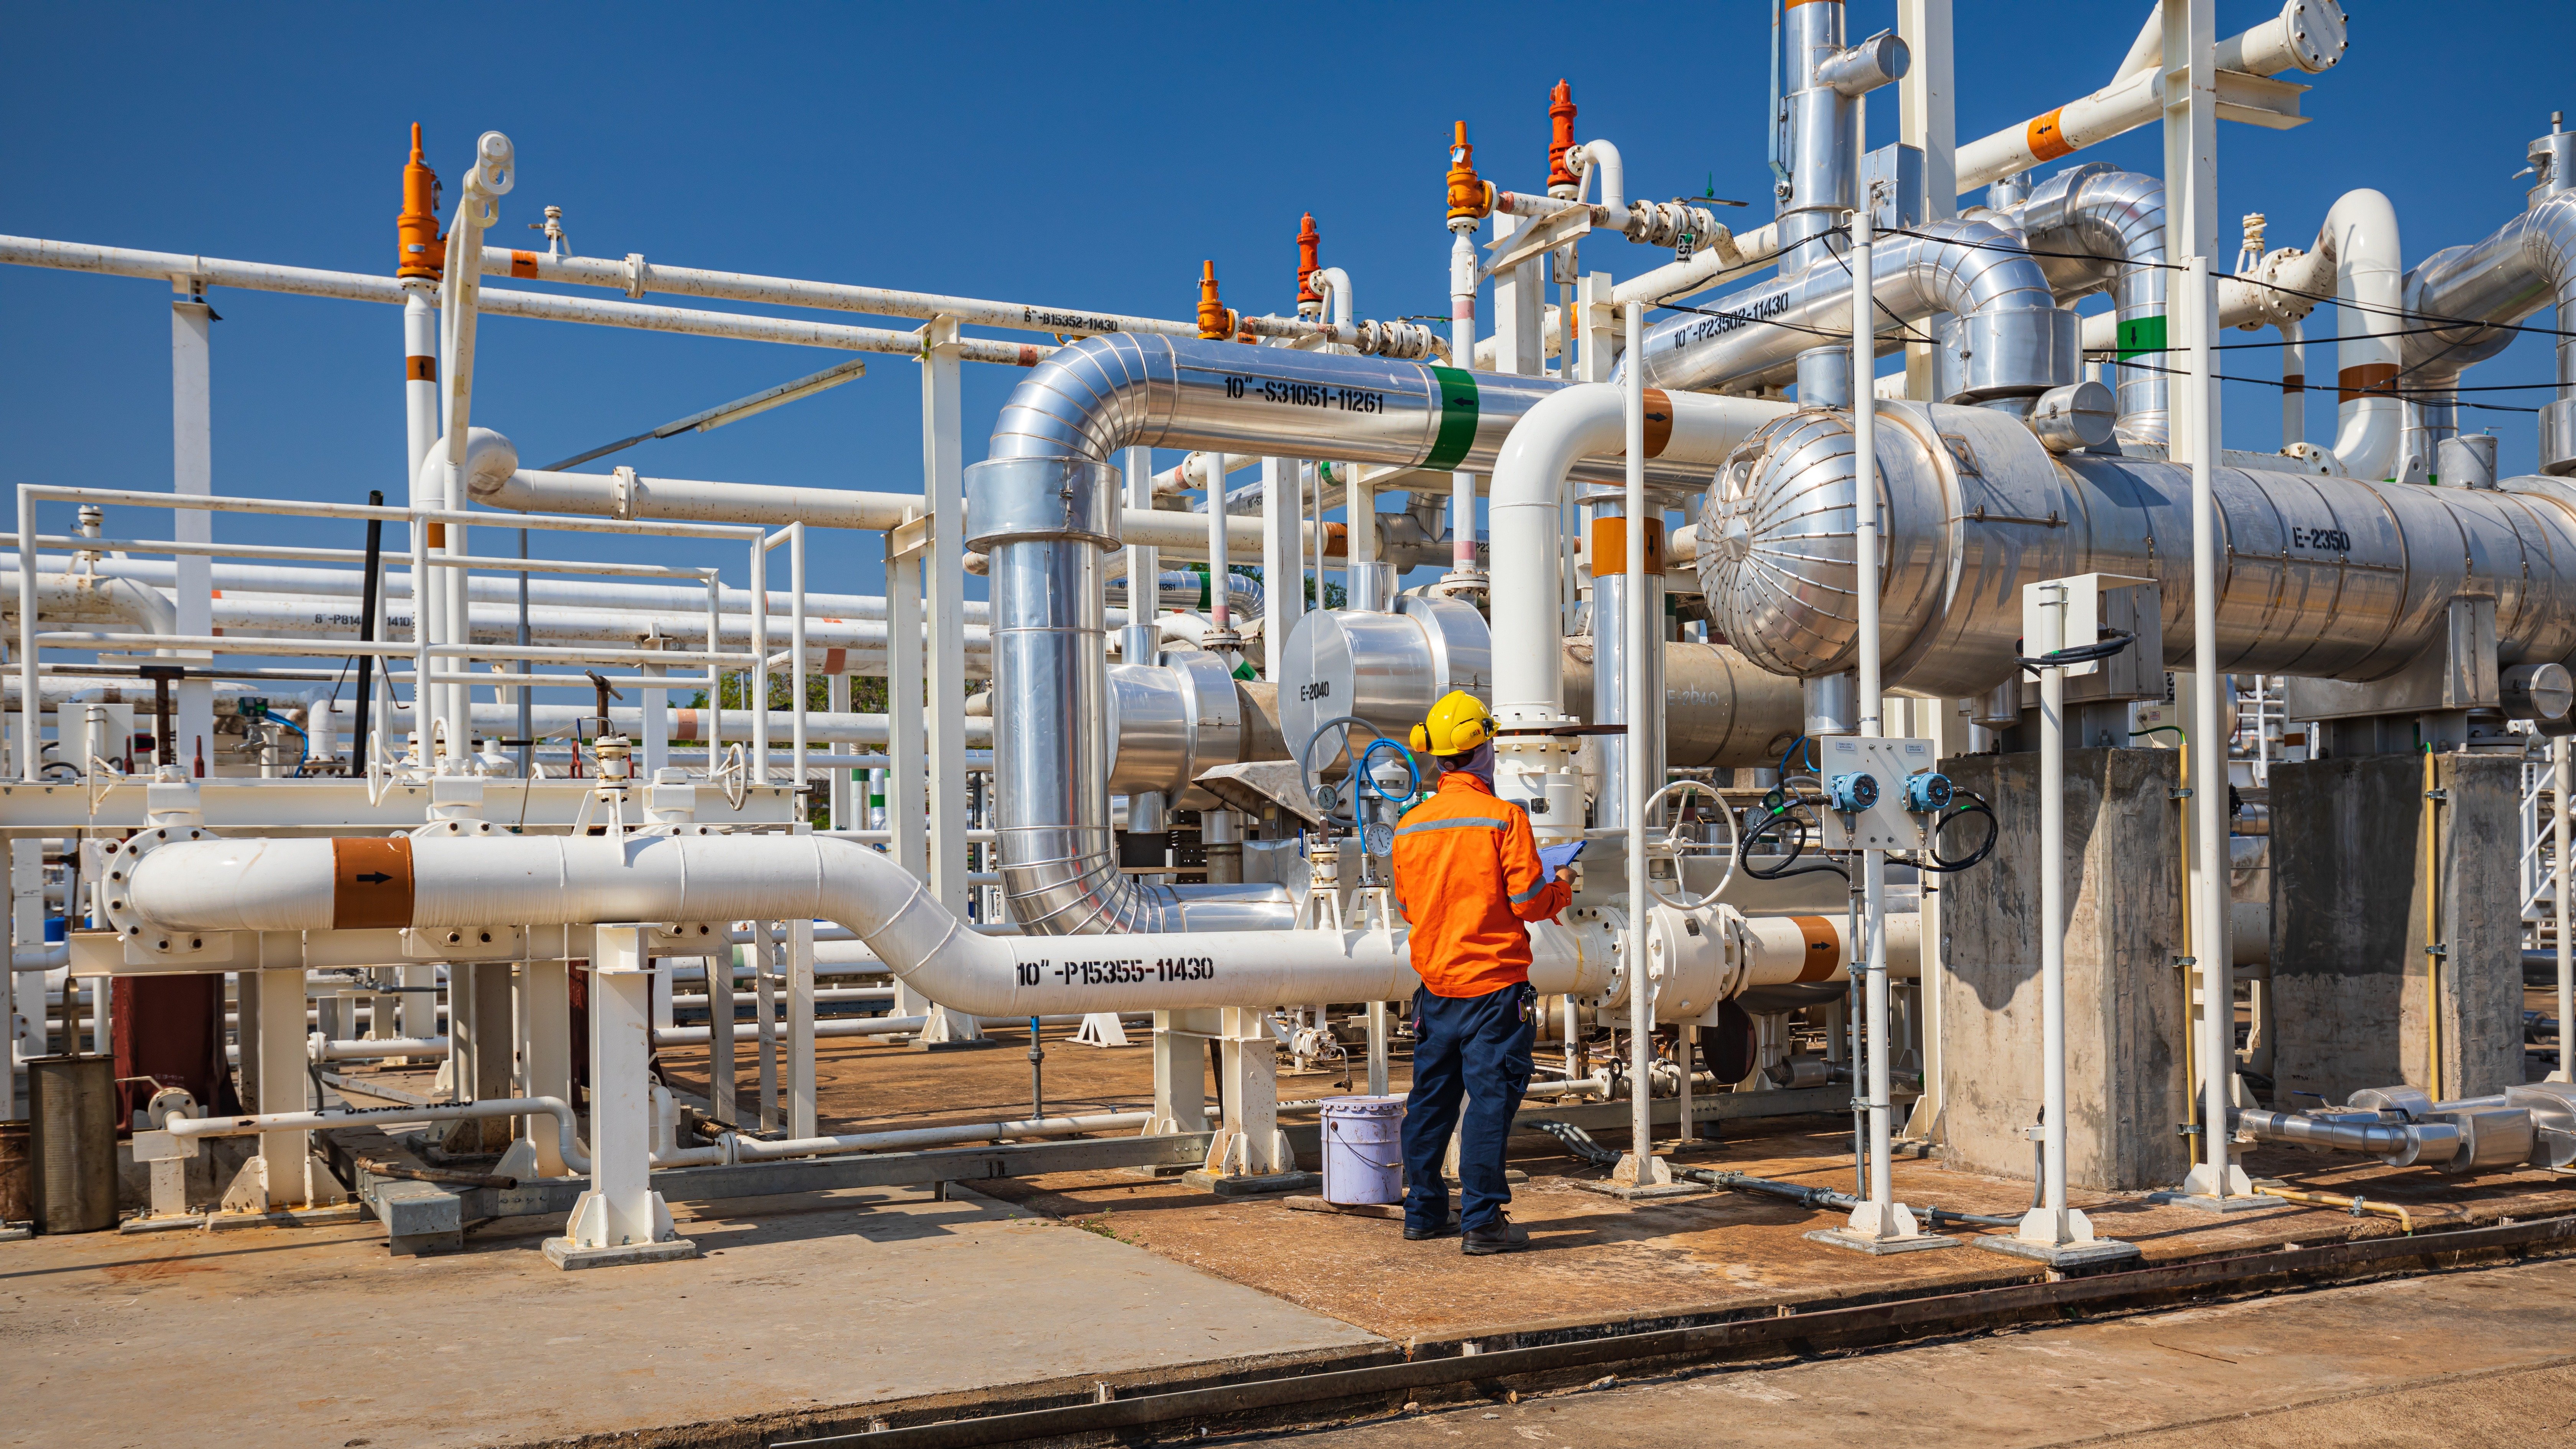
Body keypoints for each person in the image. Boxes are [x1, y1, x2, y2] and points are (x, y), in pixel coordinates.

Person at [1390, 690, 1573, 1255]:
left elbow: (1408, 907)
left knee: (1431, 1101)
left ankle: (1423, 1212)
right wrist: (1562, 887)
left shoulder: (1410, 826)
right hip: (1494, 990)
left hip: (1436, 991)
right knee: (1489, 1102)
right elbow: (1527, 901)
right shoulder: (1504, 819)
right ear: (1482, 750)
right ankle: (1483, 1222)